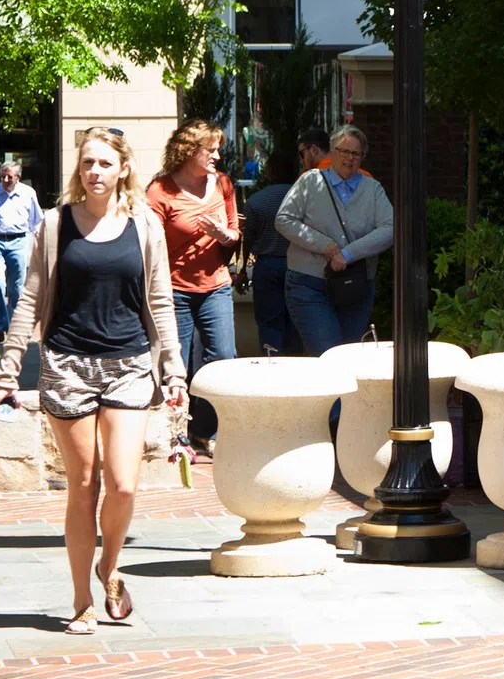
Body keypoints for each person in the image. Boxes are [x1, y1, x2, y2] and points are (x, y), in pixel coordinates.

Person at [0, 128, 186, 634]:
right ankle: (81, 600)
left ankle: (109, 564)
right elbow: (29, 300)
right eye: (87, 163)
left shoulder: (145, 225)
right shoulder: (54, 227)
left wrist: (173, 371)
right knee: (83, 485)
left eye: (103, 163)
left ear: (123, 168)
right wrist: (9, 367)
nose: (93, 171)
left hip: (129, 364)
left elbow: (160, 303)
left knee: (122, 484)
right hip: (68, 365)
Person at [146, 123, 240, 452]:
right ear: (189, 151)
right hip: (174, 290)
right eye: (210, 150)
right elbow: (150, 244)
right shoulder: (160, 191)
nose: (217, 155)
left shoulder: (223, 184)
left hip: (216, 285)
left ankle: (207, 430)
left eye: (217, 149)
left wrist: (222, 235)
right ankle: (175, 432)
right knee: (177, 363)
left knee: (223, 357)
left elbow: (234, 233)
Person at [276, 122, 393, 355]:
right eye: (343, 151)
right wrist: (327, 247)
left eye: (356, 154)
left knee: (349, 358)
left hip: (355, 287)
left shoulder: (372, 189)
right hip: (310, 283)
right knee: (329, 355)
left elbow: (390, 228)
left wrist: (347, 254)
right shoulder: (311, 182)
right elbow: (284, 219)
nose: (349, 158)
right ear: (332, 150)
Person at [240, 129, 328, 359]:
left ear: (269, 171)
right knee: (295, 322)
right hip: (298, 265)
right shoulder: (302, 196)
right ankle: (294, 367)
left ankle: (271, 366)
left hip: (267, 267)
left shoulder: (256, 201)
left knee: (269, 323)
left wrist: (241, 270)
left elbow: (248, 237)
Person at [0, 156, 43, 338]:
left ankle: (14, 327)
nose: (6, 180)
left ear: (18, 177)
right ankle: (1, 328)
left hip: (19, 241)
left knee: (16, 288)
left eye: (10, 177)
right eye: (3, 176)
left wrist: (37, 245)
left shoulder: (28, 193)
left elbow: (37, 221)